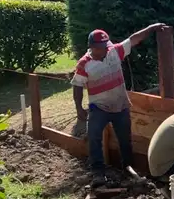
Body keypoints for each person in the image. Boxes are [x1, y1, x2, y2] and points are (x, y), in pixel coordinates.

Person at [71, 23, 168, 185]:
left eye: (105, 46)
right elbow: (77, 86)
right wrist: (78, 107)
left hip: (120, 106)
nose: (104, 50)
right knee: (94, 139)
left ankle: (128, 170)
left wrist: (152, 28)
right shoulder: (84, 64)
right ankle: (98, 172)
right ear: (92, 47)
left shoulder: (114, 52)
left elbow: (134, 39)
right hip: (99, 108)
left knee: (125, 140)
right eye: (100, 47)